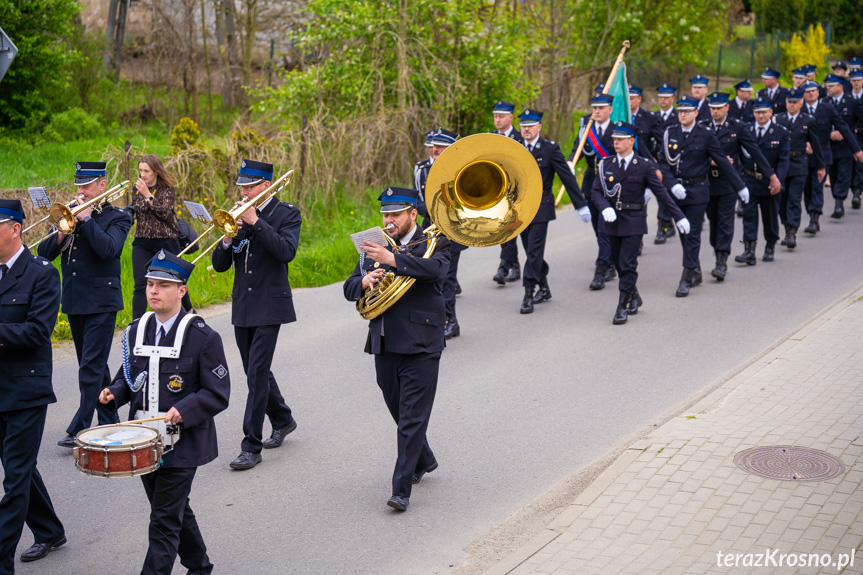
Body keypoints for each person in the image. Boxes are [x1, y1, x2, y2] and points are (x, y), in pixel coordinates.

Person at [99, 250, 230, 575]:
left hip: (183, 443)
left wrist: (182, 410)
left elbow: (218, 393)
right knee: (171, 510)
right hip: (144, 440)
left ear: (181, 290)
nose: (153, 291)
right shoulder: (137, 330)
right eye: (149, 284)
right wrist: (113, 393)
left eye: (163, 285)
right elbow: (129, 379)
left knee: (162, 520)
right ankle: (199, 566)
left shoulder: (202, 337)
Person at [343, 187, 451, 512]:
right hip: (385, 340)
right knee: (398, 408)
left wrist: (393, 260)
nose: (389, 221)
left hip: (421, 342)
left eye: (395, 215)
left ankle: (401, 489)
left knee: (411, 417)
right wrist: (363, 282)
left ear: (412, 214)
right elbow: (349, 287)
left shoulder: (435, 240)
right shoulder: (372, 248)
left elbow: (437, 271)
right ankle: (424, 458)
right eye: (385, 215)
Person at [211, 159, 301, 470]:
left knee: (257, 375)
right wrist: (226, 237)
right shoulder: (238, 218)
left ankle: (251, 446)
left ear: (266, 185)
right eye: (242, 187)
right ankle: (283, 418)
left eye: (249, 186)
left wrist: (256, 222)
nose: (244, 191)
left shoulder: (287, 214)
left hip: (270, 305)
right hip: (243, 305)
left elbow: (286, 252)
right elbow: (221, 264)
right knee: (253, 370)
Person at [39, 161, 132, 448]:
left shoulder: (118, 216)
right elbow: (44, 255)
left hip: (102, 302)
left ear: (102, 185)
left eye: (87, 186)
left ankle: (79, 426)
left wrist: (89, 219)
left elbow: (109, 250)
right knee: (94, 366)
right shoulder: (71, 216)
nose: (80, 191)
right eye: (78, 185)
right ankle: (110, 424)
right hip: (75, 300)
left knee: (90, 367)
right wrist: (62, 231)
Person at [0, 200, 67, 574]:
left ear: (14, 229)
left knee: (15, 477)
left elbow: (39, 331)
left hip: (26, 390)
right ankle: (50, 529)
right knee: (19, 467)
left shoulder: (41, 273)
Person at [589, 124, 689, 324]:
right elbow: (595, 191)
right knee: (617, 263)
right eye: (614, 139)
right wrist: (604, 207)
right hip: (612, 220)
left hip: (634, 220)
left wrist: (678, 216)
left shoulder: (643, 165)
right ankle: (633, 295)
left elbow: (661, 192)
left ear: (632, 141)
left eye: (620, 139)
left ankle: (621, 306)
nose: (615, 142)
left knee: (627, 264)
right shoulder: (605, 164)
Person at [656, 97, 748, 297]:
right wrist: (671, 185)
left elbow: (722, 160)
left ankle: (686, 276)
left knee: (692, 233)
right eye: (681, 111)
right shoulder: (670, 133)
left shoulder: (705, 134)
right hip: (676, 192)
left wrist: (740, 186)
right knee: (683, 232)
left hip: (698, 190)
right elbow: (663, 163)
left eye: (687, 111)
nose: (683, 115)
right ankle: (695, 269)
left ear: (696, 113)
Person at [701, 91, 778, 281]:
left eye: (719, 108)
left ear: (727, 107)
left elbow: (755, 152)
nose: (715, 112)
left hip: (729, 181)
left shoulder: (737, 127)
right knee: (713, 222)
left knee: (725, 221)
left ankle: (721, 261)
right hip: (708, 181)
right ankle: (717, 247)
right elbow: (695, 154)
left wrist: (771, 175)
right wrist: (711, 161)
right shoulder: (702, 127)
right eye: (712, 108)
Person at [526, 107, 591, 313]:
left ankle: (528, 291)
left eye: (530, 126)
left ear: (539, 127)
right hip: (519, 209)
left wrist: (580, 204)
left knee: (534, 251)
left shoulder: (549, 149)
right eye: (523, 127)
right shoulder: (515, 148)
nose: (526, 130)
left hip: (541, 207)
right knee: (531, 251)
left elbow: (566, 177)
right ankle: (544, 287)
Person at [130, 154, 192, 319]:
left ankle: (189, 314)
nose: (142, 174)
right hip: (142, 241)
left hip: (166, 240)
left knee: (176, 280)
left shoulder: (167, 188)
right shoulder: (136, 187)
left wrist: (147, 194)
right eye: (141, 170)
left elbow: (165, 212)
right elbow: (136, 209)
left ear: (156, 171)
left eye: (146, 171)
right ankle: (135, 325)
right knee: (141, 284)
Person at [800, 81, 862, 234]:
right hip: (802, 156)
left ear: (818, 93)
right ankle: (811, 211)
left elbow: (843, 128)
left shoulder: (827, 108)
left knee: (817, 186)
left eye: (813, 91)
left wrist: (856, 150)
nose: (810, 94)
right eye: (807, 91)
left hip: (822, 154)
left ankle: (814, 218)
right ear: (802, 94)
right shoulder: (797, 109)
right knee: (807, 189)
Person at [570, 94, 618, 290]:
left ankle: (601, 267)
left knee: (604, 228)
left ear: (610, 110)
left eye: (601, 108)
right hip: (591, 182)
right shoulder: (586, 130)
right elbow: (577, 150)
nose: (596, 111)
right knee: (598, 227)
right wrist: (570, 163)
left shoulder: (617, 130)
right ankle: (610, 260)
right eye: (594, 108)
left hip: (611, 184)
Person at [735, 100, 790, 265]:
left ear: (771, 112)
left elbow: (783, 160)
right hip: (750, 178)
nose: (761, 116)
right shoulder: (746, 130)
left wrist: (777, 180)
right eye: (758, 112)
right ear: (753, 113)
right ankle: (749, 249)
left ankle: (770, 245)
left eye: (764, 112)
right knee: (748, 215)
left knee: (770, 216)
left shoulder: (780, 132)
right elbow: (739, 155)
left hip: (769, 182)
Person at [774, 88, 825, 249]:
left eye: (795, 103)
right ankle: (786, 226)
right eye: (789, 102)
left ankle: (792, 232)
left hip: (799, 163)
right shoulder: (778, 119)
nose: (792, 106)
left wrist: (820, 166)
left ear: (801, 104)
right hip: (782, 164)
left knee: (794, 199)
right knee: (782, 199)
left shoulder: (807, 121)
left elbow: (816, 145)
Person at [490, 100, 525, 286]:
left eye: (501, 116)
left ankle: (504, 266)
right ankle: (515, 265)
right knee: (504, 229)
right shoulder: (489, 138)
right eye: (495, 116)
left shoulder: (521, 138)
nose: (497, 120)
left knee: (509, 228)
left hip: (516, 191)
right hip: (495, 192)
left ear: (511, 117)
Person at [824, 74, 863, 218]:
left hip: (847, 145)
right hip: (830, 145)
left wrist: (856, 131)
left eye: (832, 85)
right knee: (833, 174)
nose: (828, 88)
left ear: (840, 87)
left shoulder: (851, 102)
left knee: (844, 173)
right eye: (828, 85)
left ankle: (839, 202)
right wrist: (830, 134)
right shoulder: (825, 102)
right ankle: (837, 197)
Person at [651, 83, 679, 244]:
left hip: (673, 161)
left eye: (666, 97)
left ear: (672, 99)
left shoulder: (678, 116)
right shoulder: (653, 117)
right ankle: (667, 222)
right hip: (656, 159)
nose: (663, 100)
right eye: (661, 97)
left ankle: (663, 224)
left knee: (665, 192)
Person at [415, 128, 457, 228]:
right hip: (430, 224)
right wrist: (433, 210)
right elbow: (417, 199)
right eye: (434, 145)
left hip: (456, 225)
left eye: (440, 146)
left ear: (451, 148)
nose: (435, 149)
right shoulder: (422, 171)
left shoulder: (460, 170)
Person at [849, 69, 863, 208]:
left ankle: (857, 191)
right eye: (854, 81)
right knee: (852, 163)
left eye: (858, 80)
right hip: (851, 135)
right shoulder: (848, 97)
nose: (856, 83)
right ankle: (855, 188)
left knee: (860, 163)